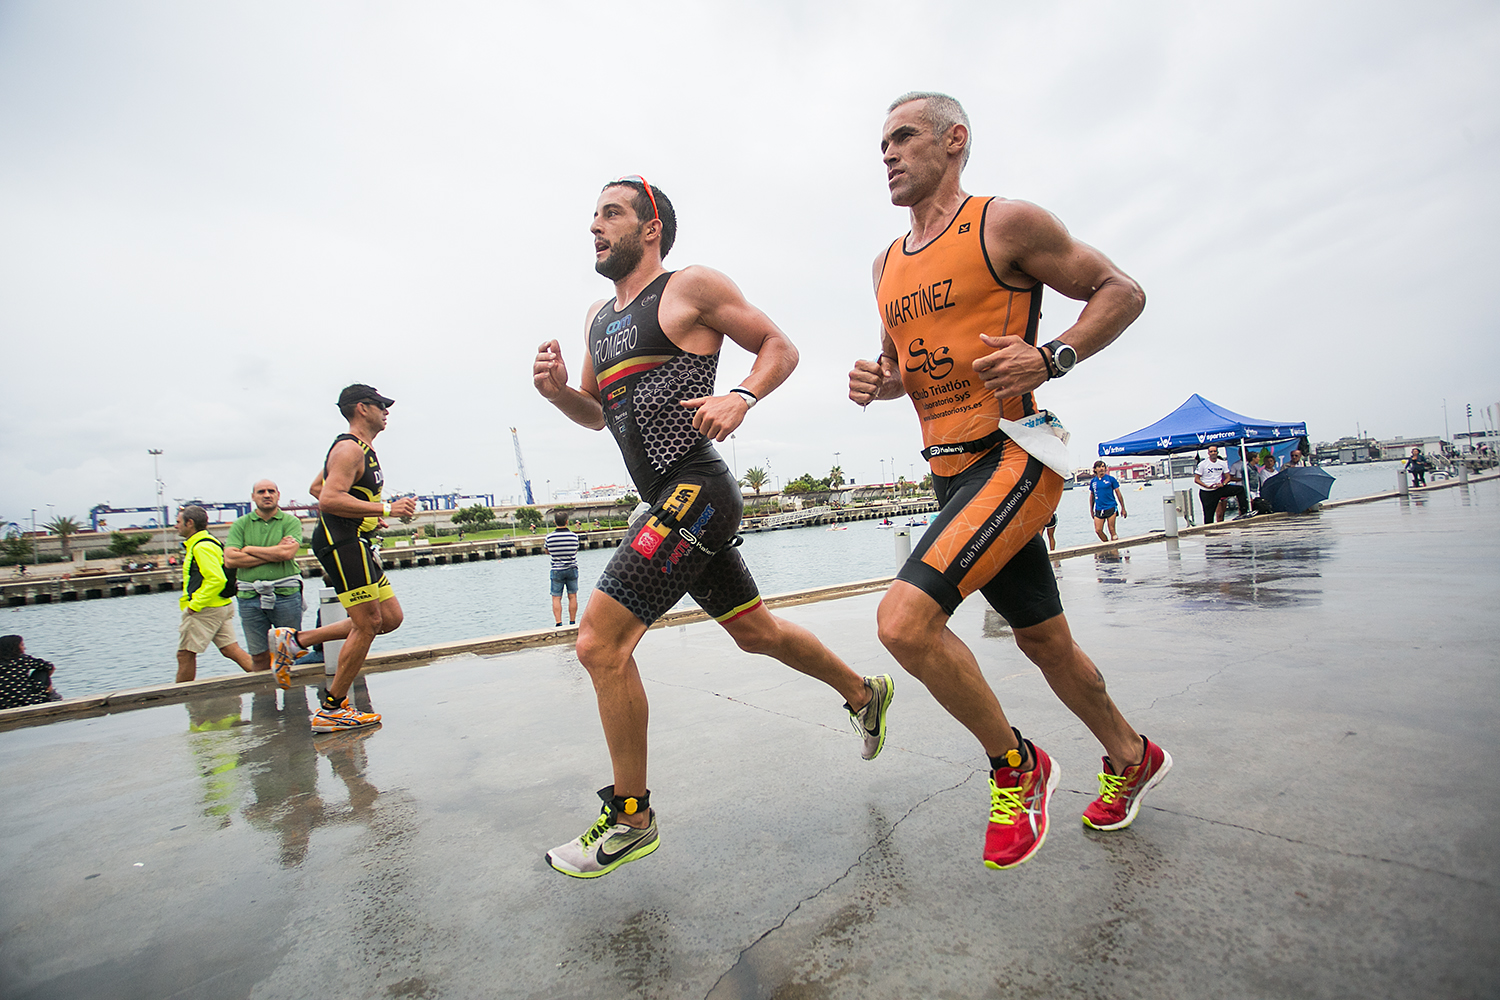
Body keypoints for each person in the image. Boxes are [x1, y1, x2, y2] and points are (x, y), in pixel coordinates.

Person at [533, 175, 894, 879]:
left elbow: (779, 347)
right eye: (592, 217)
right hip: (667, 499)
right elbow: (595, 412)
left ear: (651, 228)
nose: (595, 227)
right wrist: (555, 395)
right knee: (756, 631)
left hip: (698, 488)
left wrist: (741, 395)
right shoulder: (596, 321)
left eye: (610, 214)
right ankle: (863, 692)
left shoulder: (689, 287)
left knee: (599, 642)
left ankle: (631, 818)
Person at [847, 91, 1171, 870]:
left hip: (1017, 453)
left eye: (903, 138)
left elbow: (1122, 290)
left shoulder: (1006, 223)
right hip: (947, 473)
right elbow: (906, 365)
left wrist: (1052, 354)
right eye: (879, 144)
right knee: (1045, 644)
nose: (886, 155)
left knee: (902, 623)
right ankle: (1131, 755)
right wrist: (880, 381)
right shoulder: (885, 263)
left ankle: (1016, 766)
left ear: (953, 140)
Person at [270, 385, 418, 732]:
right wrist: (385, 508)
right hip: (343, 544)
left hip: (357, 539)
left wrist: (365, 515)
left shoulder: (361, 450)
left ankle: (297, 641)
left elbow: (318, 487)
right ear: (362, 408)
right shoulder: (349, 449)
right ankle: (332, 709)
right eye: (382, 405)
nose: (387, 411)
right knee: (367, 624)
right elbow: (328, 500)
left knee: (389, 618)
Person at [225, 480, 305, 674]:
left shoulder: (291, 522)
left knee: (291, 652)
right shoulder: (240, 525)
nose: (267, 495)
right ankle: (264, 700)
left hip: (286, 595)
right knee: (258, 656)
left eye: (271, 491)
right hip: (249, 598)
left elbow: (286, 554)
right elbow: (230, 559)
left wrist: (250, 549)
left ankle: (296, 699)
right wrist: (274, 551)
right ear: (253, 497)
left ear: (278, 495)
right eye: (261, 492)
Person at [176, 505, 255, 682]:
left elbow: (216, 579)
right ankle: (269, 677)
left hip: (205, 608)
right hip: (221, 605)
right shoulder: (211, 542)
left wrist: (194, 605)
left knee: (185, 655)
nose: (176, 526)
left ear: (190, 523)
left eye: (178, 522)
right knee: (231, 650)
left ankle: (180, 698)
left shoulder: (201, 547)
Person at [0, 635, 58, 708]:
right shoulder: (23, 659)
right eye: (22, 645)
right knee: (42, 671)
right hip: (29, 702)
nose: (25, 648)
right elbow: (50, 667)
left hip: (3, 705)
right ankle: (51, 694)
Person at [545, 510, 580, 627]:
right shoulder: (574, 536)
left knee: (556, 597)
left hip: (556, 569)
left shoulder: (549, 537)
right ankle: (572, 622)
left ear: (555, 522)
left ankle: (559, 623)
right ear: (567, 522)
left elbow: (547, 551)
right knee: (572, 596)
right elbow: (575, 550)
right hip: (572, 568)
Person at [1194, 445, 1235, 523]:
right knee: (1209, 514)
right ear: (1208, 453)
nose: (1213, 453)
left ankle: (1243, 512)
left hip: (1219, 488)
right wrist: (1206, 486)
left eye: (1214, 451)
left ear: (1217, 452)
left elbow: (1228, 477)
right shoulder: (1203, 464)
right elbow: (1196, 479)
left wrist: (1223, 484)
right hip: (1206, 491)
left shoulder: (1222, 463)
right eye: (1211, 451)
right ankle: (1209, 530)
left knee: (1239, 490)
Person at [1088, 461, 1127, 542]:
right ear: (1095, 469)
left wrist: (1123, 508)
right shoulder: (1093, 481)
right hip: (1099, 508)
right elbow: (1092, 496)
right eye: (1099, 467)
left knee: (1112, 529)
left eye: (1103, 466)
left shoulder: (1111, 479)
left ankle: (1115, 549)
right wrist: (1091, 510)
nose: (1101, 468)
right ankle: (1107, 545)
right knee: (1098, 530)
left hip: (1111, 507)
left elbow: (1118, 493)